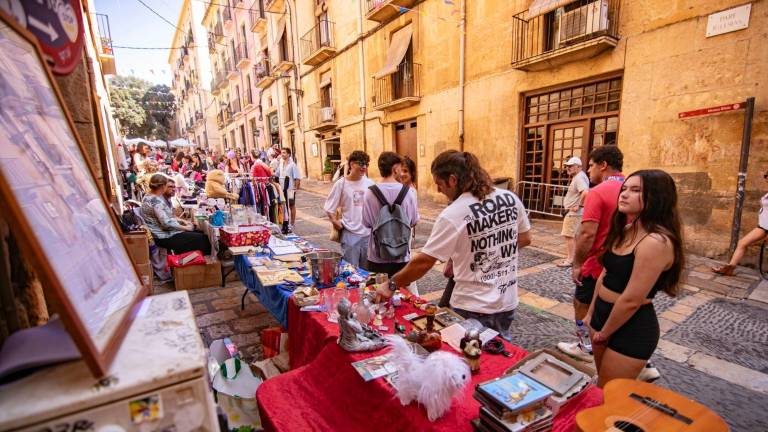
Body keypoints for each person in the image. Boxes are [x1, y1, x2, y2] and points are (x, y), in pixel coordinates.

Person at [380, 150, 531, 341]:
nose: (438, 190)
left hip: (472, 306)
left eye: (439, 184)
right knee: (500, 358)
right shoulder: (509, 198)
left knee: (468, 359)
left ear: (452, 180)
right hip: (507, 301)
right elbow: (525, 238)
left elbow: (424, 262)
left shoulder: (454, 213)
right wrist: (492, 251)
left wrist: (391, 284)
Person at [587, 170, 684, 387]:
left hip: (630, 327)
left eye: (636, 190)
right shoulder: (627, 229)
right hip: (602, 316)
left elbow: (632, 299)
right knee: (603, 383)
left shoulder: (656, 242)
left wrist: (605, 332)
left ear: (657, 197)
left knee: (610, 391)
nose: (624, 194)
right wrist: (591, 314)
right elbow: (605, 273)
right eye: (625, 188)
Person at [558, 146, 625, 362]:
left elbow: (587, 233)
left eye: (591, 165)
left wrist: (577, 263)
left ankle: (584, 345)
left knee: (582, 304)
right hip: (624, 262)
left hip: (597, 263)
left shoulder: (598, 191)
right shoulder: (632, 188)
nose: (589, 170)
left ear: (603, 165)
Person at [362, 152, 419, 276]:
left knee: (377, 291)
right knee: (401, 293)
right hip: (401, 255)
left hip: (377, 255)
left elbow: (366, 223)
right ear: (394, 169)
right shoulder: (408, 192)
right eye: (400, 168)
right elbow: (413, 221)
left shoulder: (370, 193)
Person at [324, 151, 374, 269]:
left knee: (367, 273)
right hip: (350, 234)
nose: (364, 167)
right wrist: (334, 221)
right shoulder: (341, 184)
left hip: (368, 235)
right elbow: (329, 207)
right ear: (351, 164)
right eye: (361, 164)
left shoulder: (370, 184)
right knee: (351, 270)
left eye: (366, 164)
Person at [713, 170, 768, 275]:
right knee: (742, 243)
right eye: (766, 176)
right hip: (762, 227)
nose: (767, 178)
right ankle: (730, 268)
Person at [141, 174, 211, 255]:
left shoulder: (147, 196)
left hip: (161, 234)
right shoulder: (156, 201)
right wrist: (185, 228)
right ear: (163, 186)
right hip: (163, 237)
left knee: (199, 233)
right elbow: (166, 223)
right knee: (204, 239)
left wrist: (183, 223)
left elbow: (168, 218)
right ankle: (201, 263)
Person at [558, 157, 590, 267]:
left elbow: (585, 192)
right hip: (575, 213)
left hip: (573, 213)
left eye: (571, 166)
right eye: (567, 166)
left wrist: (579, 205)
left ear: (579, 167)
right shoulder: (579, 176)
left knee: (569, 235)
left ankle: (570, 259)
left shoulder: (579, 177)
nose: (568, 168)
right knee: (574, 236)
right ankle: (575, 257)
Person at [277, 147, 302, 230]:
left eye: (284, 153)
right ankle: (285, 222)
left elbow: (297, 177)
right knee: (284, 205)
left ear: (288, 154)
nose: (282, 154)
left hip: (290, 189)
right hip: (282, 189)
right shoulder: (280, 164)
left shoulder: (292, 165)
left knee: (291, 205)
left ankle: (292, 223)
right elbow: (276, 174)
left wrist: (295, 189)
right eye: (281, 153)